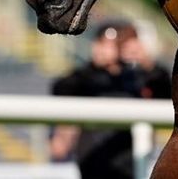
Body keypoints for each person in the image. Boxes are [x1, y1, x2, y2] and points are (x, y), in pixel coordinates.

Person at [50, 20, 170, 179]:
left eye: (115, 44)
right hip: (92, 163)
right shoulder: (88, 78)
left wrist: (145, 61)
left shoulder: (137, 78)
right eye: (103, 43)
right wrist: (93, 65)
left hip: (130, 163)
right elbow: (61, 88)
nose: (109, 49)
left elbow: (166, 91)